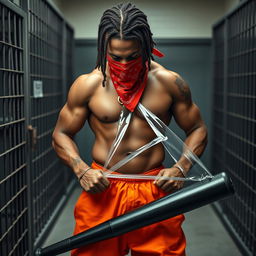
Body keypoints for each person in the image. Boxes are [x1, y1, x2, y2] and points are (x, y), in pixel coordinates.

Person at [52, 2, 208, 256]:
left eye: (132, 57)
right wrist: (80, 170)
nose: (124, 63)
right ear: (104, 49)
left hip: (154, 187)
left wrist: (181, 168)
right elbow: (61, 133)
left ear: (146, 48)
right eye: (116, 57)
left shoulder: (169, 83)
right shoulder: (88, 85)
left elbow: (198, 129)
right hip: (103, 186)